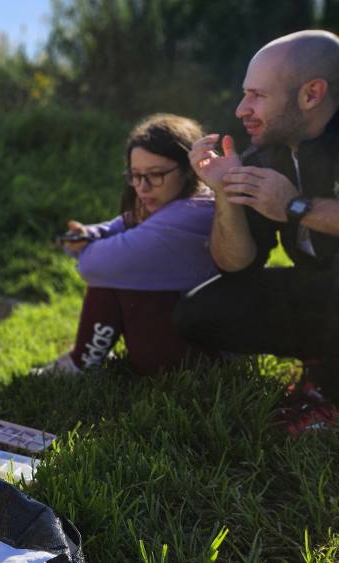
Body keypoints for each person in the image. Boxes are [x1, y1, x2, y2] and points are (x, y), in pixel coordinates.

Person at [176, 30, 339, 435]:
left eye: (257, 96)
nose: (241, 108)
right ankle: (322, 365)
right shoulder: (268, 154)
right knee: (199, 313)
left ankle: (330, 399)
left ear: (312, 93)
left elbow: (292, 207)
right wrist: (225, 192)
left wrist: (293, 206)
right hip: (320, 295)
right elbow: (237, 265)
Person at [37, 114, 217, 377]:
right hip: (193, 340)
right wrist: (89, 234)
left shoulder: (192, 213)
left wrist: (88, 247)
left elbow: (94, 265)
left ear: (190, 169)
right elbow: (118, 225)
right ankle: (85, 360)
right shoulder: (180, 200)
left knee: (115, 271)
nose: (142, 187)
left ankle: (81, 364)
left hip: (200, 358)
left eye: (155, 175)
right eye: (135, 175)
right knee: (119, 261)